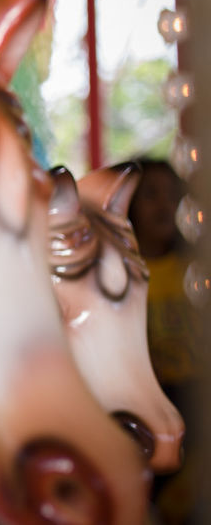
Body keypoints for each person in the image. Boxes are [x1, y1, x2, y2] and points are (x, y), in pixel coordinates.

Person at [126, 158, 203, 524]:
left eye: (172, 196)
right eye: (150, 195)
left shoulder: (195, 268)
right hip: (148, 401)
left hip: (193, 394)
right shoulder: (124, 272)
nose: (164, 205)